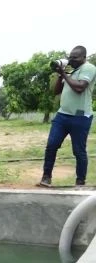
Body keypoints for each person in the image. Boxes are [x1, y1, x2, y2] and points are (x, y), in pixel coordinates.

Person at [40, 45, 96, 187]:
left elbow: (79, 88)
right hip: (62, 115)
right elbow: (56, 91)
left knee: (78, 150)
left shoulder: (89, 68)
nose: (71, 59)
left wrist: (65, 74)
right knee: (51, 145)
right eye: (70, 57)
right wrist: (61, 74)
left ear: (84, 57)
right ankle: (46, 177)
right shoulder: (71, 71)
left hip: (80, 117)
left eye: (75, 57)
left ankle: (80, 181)